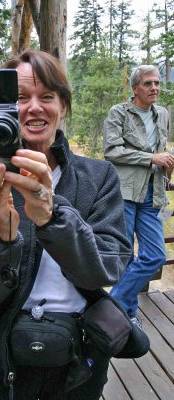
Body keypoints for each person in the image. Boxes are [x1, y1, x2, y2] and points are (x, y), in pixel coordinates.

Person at [0, 49, 131, 400]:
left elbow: (105, 271)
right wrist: (1, 237)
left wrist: (52, 217)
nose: (34, 107)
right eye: (20, 97)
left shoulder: (98, 178)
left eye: (46, 96)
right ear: (1, 110)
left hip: (78, 360)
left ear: (63, 105)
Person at [103, 64, 174, 328]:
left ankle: (114, 305)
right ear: (135, 88)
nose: (154, 87)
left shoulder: (163, 114)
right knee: (125, 255)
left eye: (156, 83)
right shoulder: (119, 113)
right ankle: (129, 314)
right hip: (125, 192)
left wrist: (165, 160)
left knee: (155, 255)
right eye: (147, 83)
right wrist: (151, 157)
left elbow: (160, 147)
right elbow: (112, 150)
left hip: (152, 194)